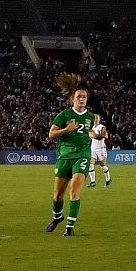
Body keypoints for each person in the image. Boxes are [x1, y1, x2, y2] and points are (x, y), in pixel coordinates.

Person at [45, 74, 96, 237]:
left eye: (84, 97)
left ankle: (69, 227)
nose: (82, 99)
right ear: (72, 100)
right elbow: (51, 134)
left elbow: (89, 134)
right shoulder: (64, 115)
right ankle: (57, 218)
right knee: (58, 195)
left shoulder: (91, 117)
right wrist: (67, 130)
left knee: (74, 191)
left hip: (82, 156)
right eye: (79, 97)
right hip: (64, 156)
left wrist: (97, 135)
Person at [88, 113, 112, 188]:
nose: (95, 119)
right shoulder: (92, 127)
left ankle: (108, 179)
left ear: (99, 119)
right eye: (94, 118)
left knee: (103, 165)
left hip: (100, 149)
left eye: (97, 118)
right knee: (90, 165)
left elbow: (102, 136)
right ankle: (93, 182)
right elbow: (90, 137)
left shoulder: (101, 127)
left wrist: (94, 135)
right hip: (93, 148)